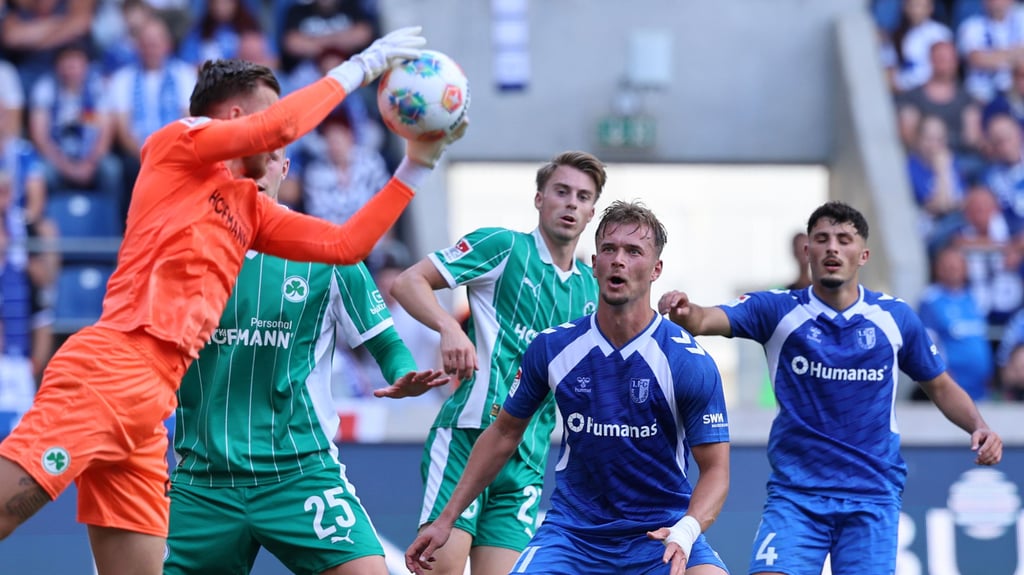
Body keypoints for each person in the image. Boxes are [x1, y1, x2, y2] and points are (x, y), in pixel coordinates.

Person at [0, 26, 464, 575]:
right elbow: (283, 122)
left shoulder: (249, 209)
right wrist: (362, 67)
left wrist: (417, 164)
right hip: (113, 365)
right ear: (235, 119)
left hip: (152, 406)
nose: (283, 141)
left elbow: (346, 245)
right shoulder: (178, 146)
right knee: (15, 500)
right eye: (270, 121)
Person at [658, 200, 1004, 575]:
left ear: (863, 254)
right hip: (797, 497)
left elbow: (939, 385)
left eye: (844, 239)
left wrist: (978, 426)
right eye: (822, 239)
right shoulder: (777, 310)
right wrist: (686, 312)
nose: (833, 248)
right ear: (808, 251)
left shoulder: (894, 317)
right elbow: (708, 319)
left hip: (871, 497)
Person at [165, 146, 449, 575]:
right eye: (244, 157)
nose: (257, 168)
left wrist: (402, 373)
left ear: (286, 168)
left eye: (270, 157)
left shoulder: (328, 251)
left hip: (298, 472)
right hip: (205, 482)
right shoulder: (180, 257)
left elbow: (386, 342)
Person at [406, 201, 731, 575]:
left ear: (656, 269)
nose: (618, 260)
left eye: (633, 251)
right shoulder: (553, 347)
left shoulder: (688, 361)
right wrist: (446, 518)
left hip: (662, 534)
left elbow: (716, 471)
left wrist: (686, 531)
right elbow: (503, 434)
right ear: (594, 264)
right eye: (609, 249)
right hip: (573, 537)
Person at [390, 151, 605, 575]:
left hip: (526, 459)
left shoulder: (589, 291)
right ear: (540, 198)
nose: (571, 203)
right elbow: (407, 281)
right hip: (469, 437)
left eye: (582, 197)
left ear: (591, 212)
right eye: (561, 192)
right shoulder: (504, 247)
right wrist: (448, 327)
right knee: (440, 570)